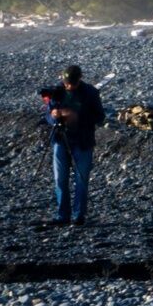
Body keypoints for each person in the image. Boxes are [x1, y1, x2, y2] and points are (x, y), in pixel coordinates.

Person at [38, 61, 105, 225]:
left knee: (81, 179)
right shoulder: (58, 92)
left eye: (71, 84)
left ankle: (79, 215)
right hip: (60, 139)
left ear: (79, 80)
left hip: (82, 141)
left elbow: (100, 117)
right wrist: (53, 116)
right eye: (66, 83)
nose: (68, 87)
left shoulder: (90, 93)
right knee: (60, 179)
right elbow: (47, 116)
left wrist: (76, 116)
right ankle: (63, 216)